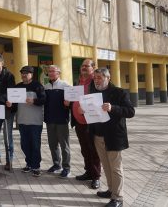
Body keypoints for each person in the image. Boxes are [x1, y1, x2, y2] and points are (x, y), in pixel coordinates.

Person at [88, 68, 135, 207]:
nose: (96, 80)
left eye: (99, 78)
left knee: (115, 168)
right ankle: (111, 190)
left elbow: (130, 112)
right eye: (95, 78)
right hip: (97, 135)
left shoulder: (119, 92)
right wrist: (84, 110)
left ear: (108, 78)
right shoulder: (94, 93)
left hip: (113, 136)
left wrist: (112, 108)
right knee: (106, 166)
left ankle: (118, 198)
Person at [6, 66, 46, 177]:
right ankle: (29, 164)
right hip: (22, 121)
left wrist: (34, 100)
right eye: (22, 73)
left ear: (31, 75)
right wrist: (10, 104)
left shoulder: (38, 86)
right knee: (24, 144)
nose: (24, 75)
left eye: (26, 73)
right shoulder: (18, 87)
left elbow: (43, 100)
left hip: (35, 122)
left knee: (35, 145)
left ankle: (36, 166)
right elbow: (14, 105)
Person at [71, 59, 101, 189]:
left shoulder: (96, 82)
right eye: (82, 65)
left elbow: (100, 101)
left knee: (93, 151)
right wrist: (69, 102)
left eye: (86, 66)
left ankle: (96, 177)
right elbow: (75, 99)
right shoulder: (78, 81)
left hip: (91, 122)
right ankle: (88, 172)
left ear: (93, 68)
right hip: (79, 122)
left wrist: (87, 109)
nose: (83, 67)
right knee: (84, 149)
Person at [44, 65, 71, 178]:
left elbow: (73, 102)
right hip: (50, 120)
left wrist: (69, 103)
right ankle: (56, 164)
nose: (50, 73)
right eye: (49, 71)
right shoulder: (45, 87)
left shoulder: (66, 85)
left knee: (64, 145)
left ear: (58, 73)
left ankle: (66, 167)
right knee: (52, 144)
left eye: (53, 71)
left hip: (62, 120)